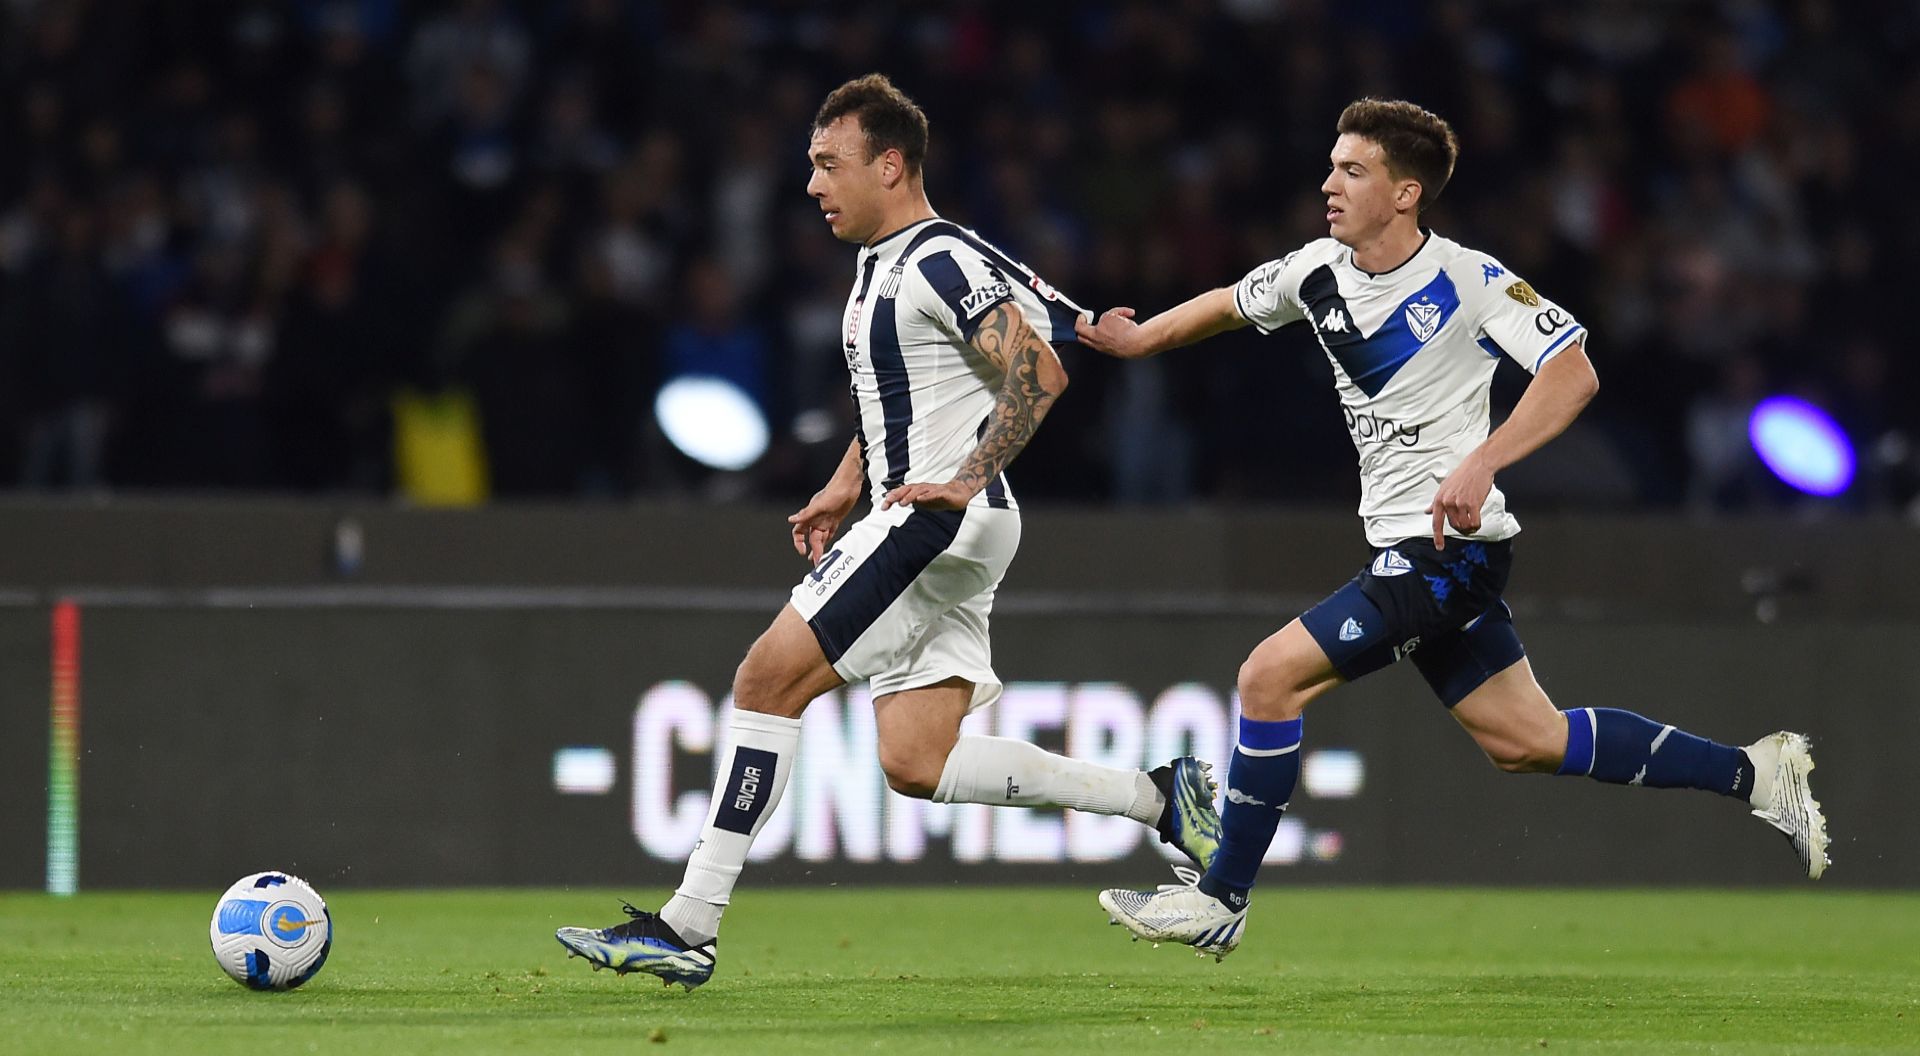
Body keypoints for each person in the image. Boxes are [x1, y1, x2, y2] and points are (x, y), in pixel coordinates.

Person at [1079, 99, 1828, 961]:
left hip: (1448, 554)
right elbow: (1227, 304)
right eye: (1330, 166)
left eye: (1352, 171)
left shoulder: (1470, 281)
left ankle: (1220, 898)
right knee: (1527, 741)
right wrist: (1142, 343)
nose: (1328, 184)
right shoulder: (1315, 271)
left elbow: (1573, 372)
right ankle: (1758, 772)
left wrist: (1484, 461)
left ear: (1405, 194)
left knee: (1266, 679)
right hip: (1416, 553)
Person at [555, 74, 1221, 989]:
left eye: (830, 164)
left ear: (892, 164)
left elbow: (1040, 372)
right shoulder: (897, 262)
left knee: (764, 679)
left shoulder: (938, 260)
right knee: (916, 761)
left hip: (936, 524)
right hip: (948, 524)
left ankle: (688, 924)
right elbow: (902, 402)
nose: (813, 185)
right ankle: (1162, 799)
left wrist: (966, 477)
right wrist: (842, 484)